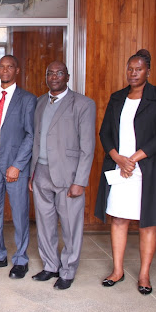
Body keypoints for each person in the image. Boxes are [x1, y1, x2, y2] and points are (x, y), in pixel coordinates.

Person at [95, 49, 156, 294]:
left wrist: (135, 157)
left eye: (138, 69)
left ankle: (144, 274)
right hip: (120, 168)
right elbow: (105, 133)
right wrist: (118, 158)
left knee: (147, 223)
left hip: (146, 168)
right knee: (119, 219)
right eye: (130, 69)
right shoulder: (117, 97)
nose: (133, 73)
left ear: (148, 71)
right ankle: (117, 270)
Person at [29, 61, 96, 290]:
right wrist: (32, 173)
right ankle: (50, 265)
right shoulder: (39, 102)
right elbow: (36, 139)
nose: (54, 76)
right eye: (50, 73)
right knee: (45, 223)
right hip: (41, 172)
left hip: (69, 176)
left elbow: (88, 146)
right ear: (46, 77)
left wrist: (80, 181)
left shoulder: (83, 104)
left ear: (67, 77)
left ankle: (68, 270)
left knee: (70, 225)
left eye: (59, 73)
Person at [0, 55, 37, 279]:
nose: (5, 70)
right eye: (1, 66)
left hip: (14, 166)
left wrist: (18, 166)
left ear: (17, 70)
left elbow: (31, 135)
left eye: (10, 66)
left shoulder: (28, 100)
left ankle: (21, 260)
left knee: (20, 214)